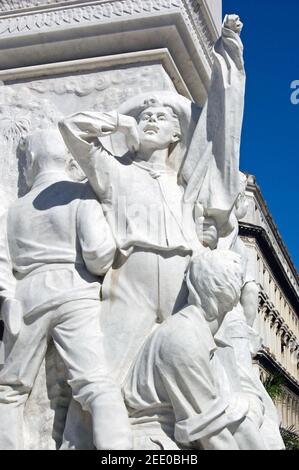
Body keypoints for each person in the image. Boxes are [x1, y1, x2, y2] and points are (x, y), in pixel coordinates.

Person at [59, 15, 246, 382]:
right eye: (145, 115)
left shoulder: (185, 187)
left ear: (177, 134)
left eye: (161, 117)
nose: (151, 119)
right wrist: (119, 121)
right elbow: (72, 129)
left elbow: (221, 124)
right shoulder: (115, 171)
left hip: (184, 280)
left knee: (199, 377)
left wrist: (228, 54)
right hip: (132, 279)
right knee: (104, 374)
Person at [0, 128, 132, 450]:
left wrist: (7, 298)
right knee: (96, 383)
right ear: (67, 159)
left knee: (9, 391)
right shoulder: (80, 194)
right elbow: (99, 254)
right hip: (75, 291)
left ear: (30, 160)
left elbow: (2, 260)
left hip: (27, 296)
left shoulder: (12, 210)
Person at [123, 250, 268, 450]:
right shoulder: (184, 338)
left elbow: (231, 418)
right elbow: (214, 435)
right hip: (158, 444)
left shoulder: (203, 340)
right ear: (230, 297)